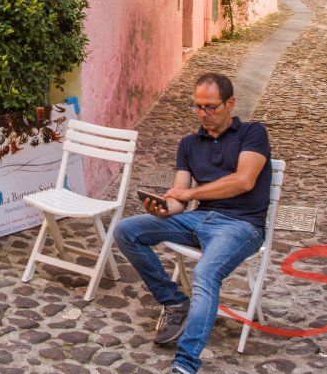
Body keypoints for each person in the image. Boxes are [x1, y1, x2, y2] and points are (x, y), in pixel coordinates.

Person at [115, 72, 272, 374]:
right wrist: (163, 209)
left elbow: (244, 181)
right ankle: (173, 301)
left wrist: (189, 193)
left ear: (230, 103)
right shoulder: (188, 144)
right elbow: (179, 198)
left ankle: (185, 364)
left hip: (241, 226)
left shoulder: (252, 133)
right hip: (198, 219)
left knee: (205, 273)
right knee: (127, 231)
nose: (203, 113)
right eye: (198, 106)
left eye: (210, 106)